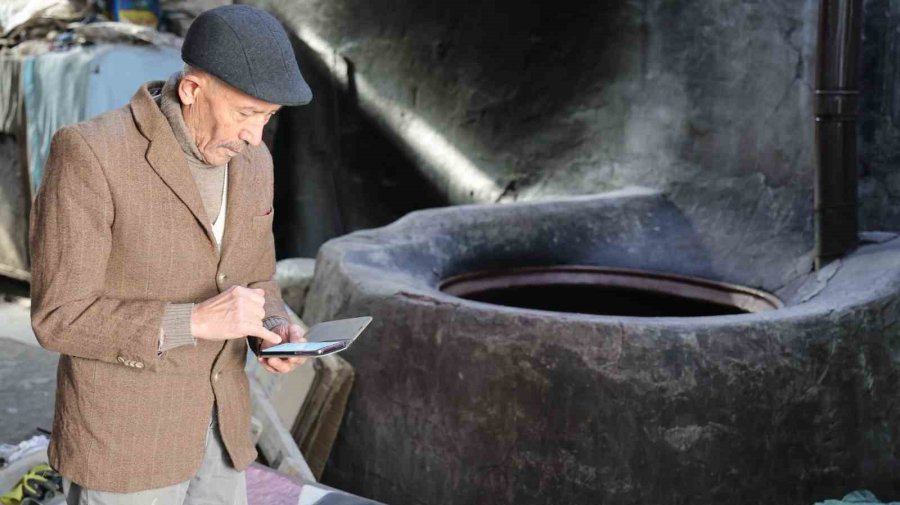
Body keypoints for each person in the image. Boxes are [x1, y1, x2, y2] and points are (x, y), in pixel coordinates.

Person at [28, 5, 313, 504]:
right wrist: (194, 321)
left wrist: (276, 329)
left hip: (222, 434)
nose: (255, 136)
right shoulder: (90, 155)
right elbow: (58, 317)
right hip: (124, 447)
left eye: (269, 118)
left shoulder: (255, 161)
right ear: (192, 90)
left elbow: (256, 277)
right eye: (246, 113)